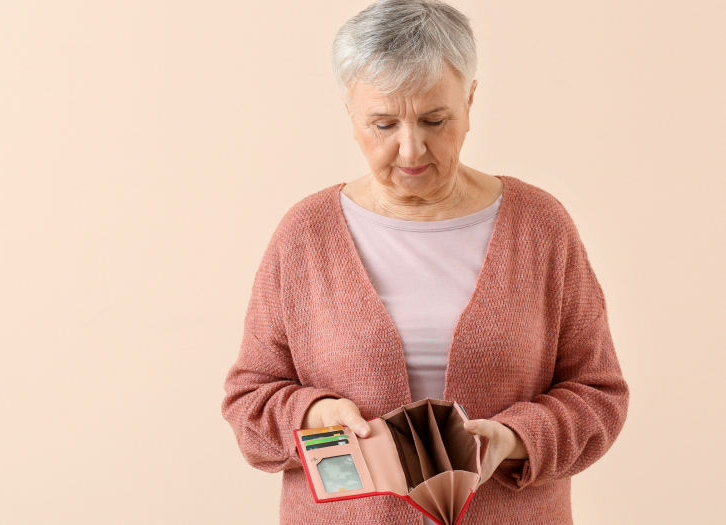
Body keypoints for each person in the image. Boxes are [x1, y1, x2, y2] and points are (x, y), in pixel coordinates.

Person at [221, 1, 629, 523]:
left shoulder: (540, 227)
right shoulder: (305, 237)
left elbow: (599, 394)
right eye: (383, 124)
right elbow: (249, 400)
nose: (411, 149)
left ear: (470, 101)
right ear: (350, 116)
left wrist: (516, 438)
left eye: (435, 120)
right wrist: (315, 414)